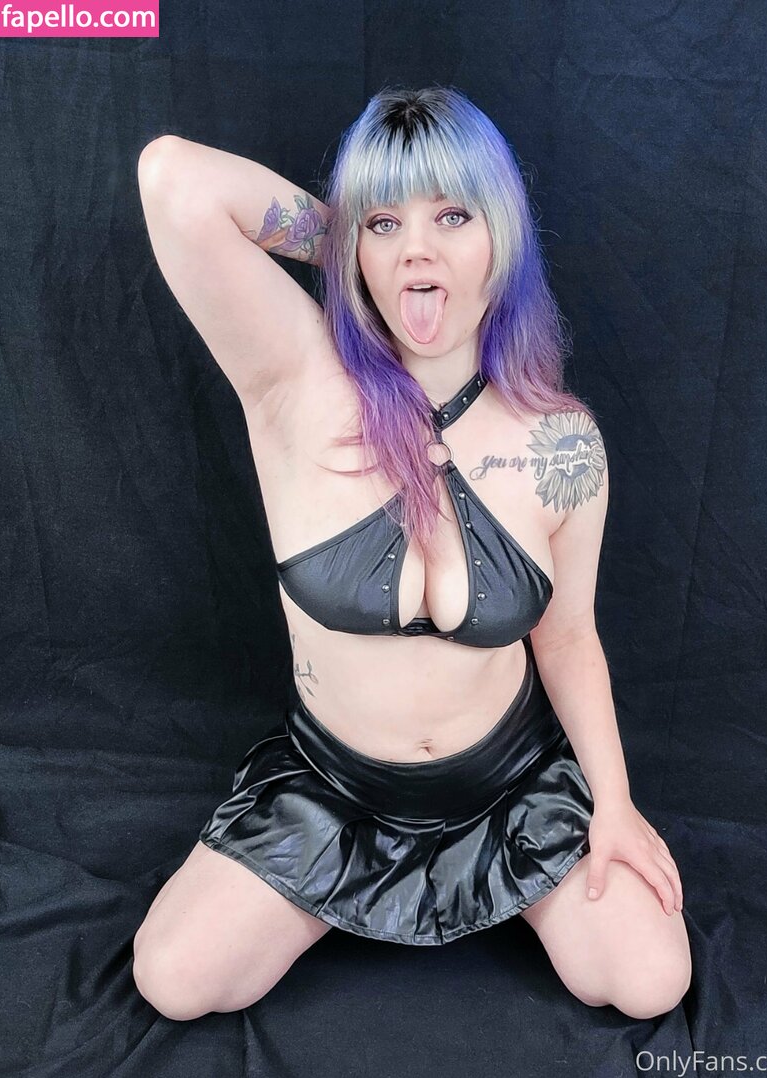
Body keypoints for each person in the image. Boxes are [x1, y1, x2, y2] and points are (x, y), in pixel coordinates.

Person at [131, 85, 691, 1022]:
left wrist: (616, 805)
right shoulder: (295, 380)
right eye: (386, 220)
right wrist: (355, 249)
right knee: (174, 981)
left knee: (650, 982)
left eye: (453, 217)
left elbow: (568, 639)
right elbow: (173, 179)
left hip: (511, 788)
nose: (417, 250)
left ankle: (521, 880)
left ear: (502, 239)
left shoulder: (562, 445)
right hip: (332, 792)